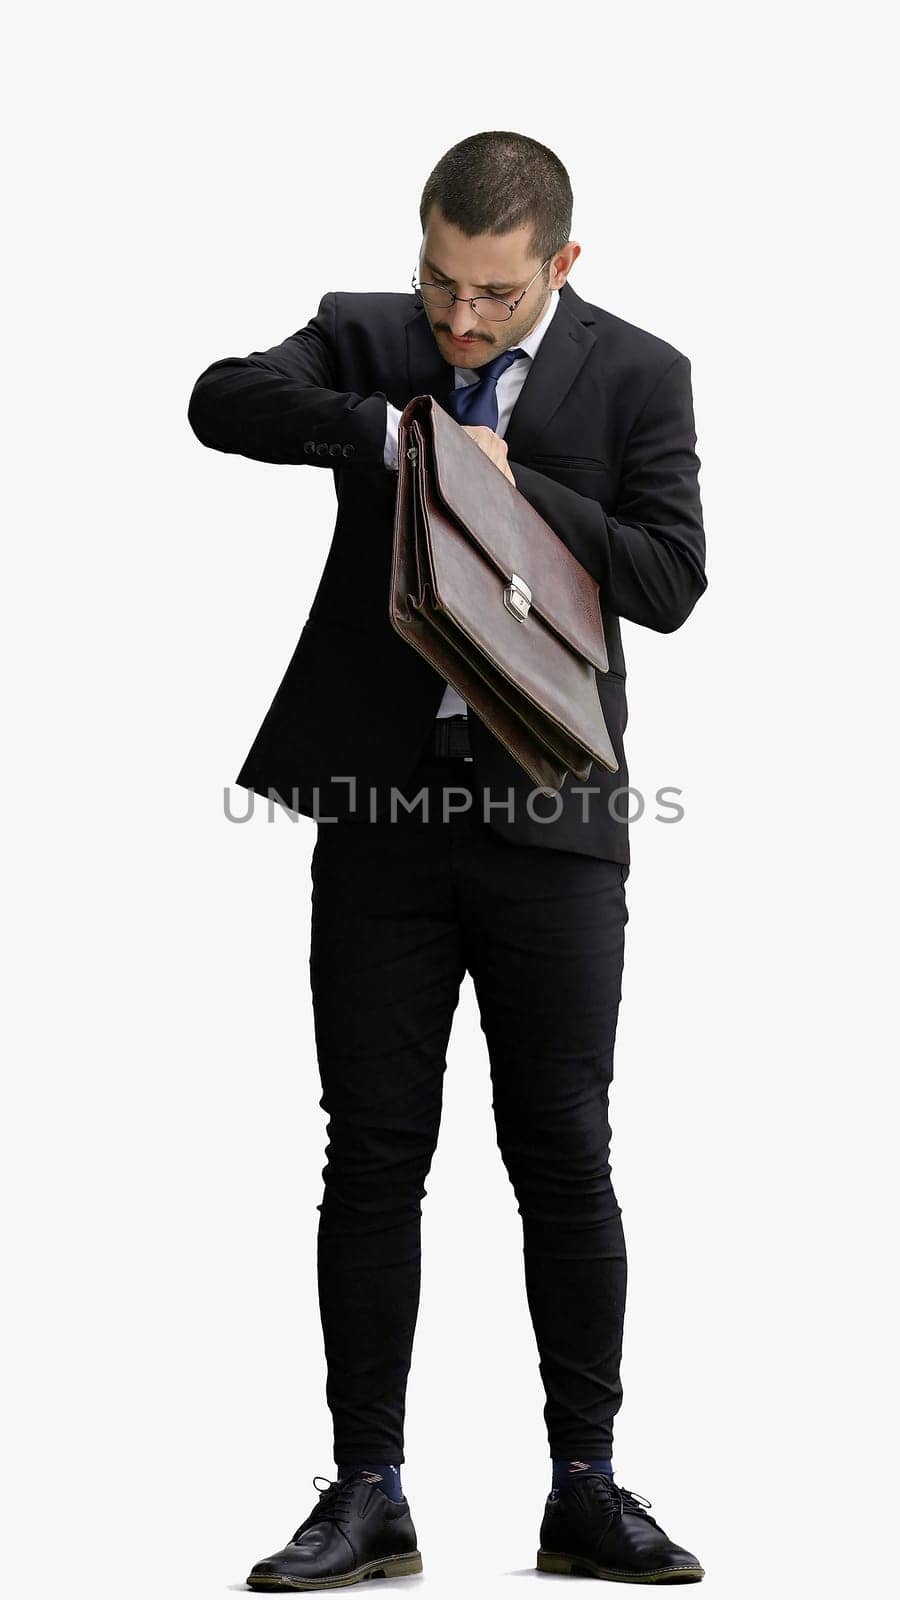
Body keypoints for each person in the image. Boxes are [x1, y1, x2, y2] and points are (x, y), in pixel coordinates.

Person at [188, 129, 708, 1588]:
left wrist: (514, 490)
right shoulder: (370, 340)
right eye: (440, 283)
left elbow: (672, 578)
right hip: (380, 819)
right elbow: (220, 401)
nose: (459, 320)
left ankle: (586, 1489)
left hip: (553, 827)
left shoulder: (638, 375)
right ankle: (368, 1493)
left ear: (561, 266)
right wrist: (398, 435)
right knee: (372, 1156)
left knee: (564, 1156)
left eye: (493, 293)